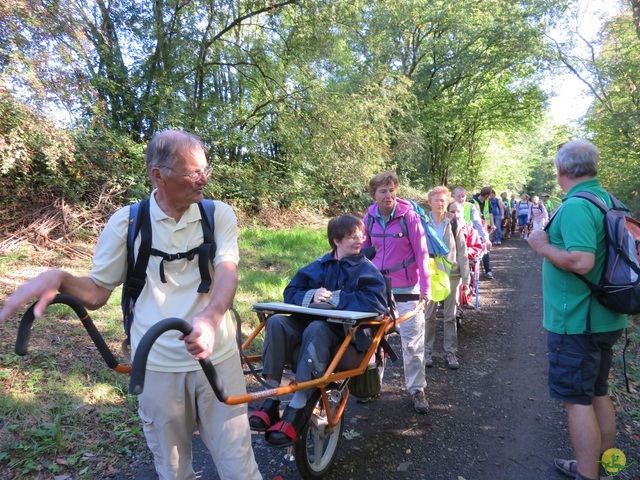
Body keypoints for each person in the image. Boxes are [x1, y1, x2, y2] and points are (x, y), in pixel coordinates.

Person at [0, 130, 262, 480]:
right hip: (154, 366)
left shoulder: (218, 215)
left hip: (219, 358)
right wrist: (61, 278)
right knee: (172, 470)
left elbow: (227, 272)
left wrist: (210, 320)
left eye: (205, 170)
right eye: (192, 172)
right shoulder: (126, 223)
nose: (203, 180)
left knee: (238, 466)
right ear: (158, 175)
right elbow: (96, 293)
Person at [528, 139, 627, 480]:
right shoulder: (610, 200)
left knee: (577, 402)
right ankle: (608, 469)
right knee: (599, 393)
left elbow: (582, 261)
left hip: (577, 323)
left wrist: (541, 244)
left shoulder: (575, 207)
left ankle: (588, 475)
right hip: (605, 317)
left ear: (561, 171)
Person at [249, 214, 388, 446]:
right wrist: (310, 295)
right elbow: (290, 291)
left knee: (317, 326)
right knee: (276, 322)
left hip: (346, 335)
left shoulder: (367, 269)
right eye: (353, 237)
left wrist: (336, 299)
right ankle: (271, 399)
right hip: (311, 328)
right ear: (336, 240)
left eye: (361, 236)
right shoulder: (320, 265)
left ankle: (299, 405)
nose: (360, 240)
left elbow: (376, 303)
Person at [362, 172, 432, 414]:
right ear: (374, 195)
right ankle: (372, 385)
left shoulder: (408, 217)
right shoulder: (368, 218)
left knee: (412, 342)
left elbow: (422, 254)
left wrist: (425, 289)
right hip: (378, 289)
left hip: (407, 288)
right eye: (383, 191)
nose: (389, 195)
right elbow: (362, 253)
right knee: (375, 340)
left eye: (392, 190)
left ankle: (417, 390)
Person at [423, 188, 470, 369]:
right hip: (430, 274)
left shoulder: (454, 223)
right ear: (430, 202)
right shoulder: (422, 222)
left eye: (443, 200)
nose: (440, 203)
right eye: (436, 200)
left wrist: (465, 278)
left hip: (452, 274)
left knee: (450, 316)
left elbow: (462, 250)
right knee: (429, 316)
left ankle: (450, 352)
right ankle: (427, 351)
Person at [448, 201, 483, 309]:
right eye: (452, 211)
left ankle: (461, 301)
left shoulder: (469, 229)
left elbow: (476, 247)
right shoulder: (442, 227)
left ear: (463, 213)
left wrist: (464, 252)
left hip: (462, 262)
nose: (455, 214)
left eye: (458, 211)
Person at [453, 187, 493, 279]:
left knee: (480, 250)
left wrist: (485, 238)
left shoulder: (470, 207)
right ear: (454, 196)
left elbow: (478, 223)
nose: (461, 199)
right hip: (452, 238)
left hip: (467, 238)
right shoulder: (449, 207)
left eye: (463, 196)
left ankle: (484, 272)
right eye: (458, 196)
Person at [471, 186, 495, 279]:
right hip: (474, 229)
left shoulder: (487, 201)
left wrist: (492, 224)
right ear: (487, 195)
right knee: (475, 249)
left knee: (485, 250)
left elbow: (490, 212)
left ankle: (488, 271)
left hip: (484, 226)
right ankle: (472, 272)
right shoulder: (472, 201)